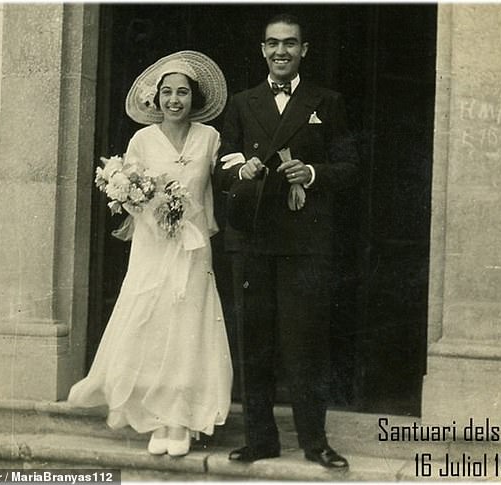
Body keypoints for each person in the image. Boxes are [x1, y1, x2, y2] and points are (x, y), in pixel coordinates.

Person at [68, 51, 233, 457]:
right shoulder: (141, 140)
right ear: (155, 98)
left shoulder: (209, 137)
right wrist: (152, 208)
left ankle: (181, 417)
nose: (174, 100)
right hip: (153, 246)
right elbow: (129, 192)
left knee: (188, 325)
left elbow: (218, 187)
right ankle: (156, 416)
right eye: (167, 92)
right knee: (153, 321)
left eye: (182, 92)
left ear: (194, 98)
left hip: (193, 247)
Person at [215, 14, 359, 469]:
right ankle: (261, 440)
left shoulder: (326, 102)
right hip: (252, 238)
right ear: (262, 50)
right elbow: (220, 165)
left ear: (304, 50)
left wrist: (313, 173)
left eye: (290, 44)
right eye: (273, 44)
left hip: (304, 241)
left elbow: (350, 166)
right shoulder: (242, 103)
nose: (281, 52)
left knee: (305, 344)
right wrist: (243, 170)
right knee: (254, 342)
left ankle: (315, 442)